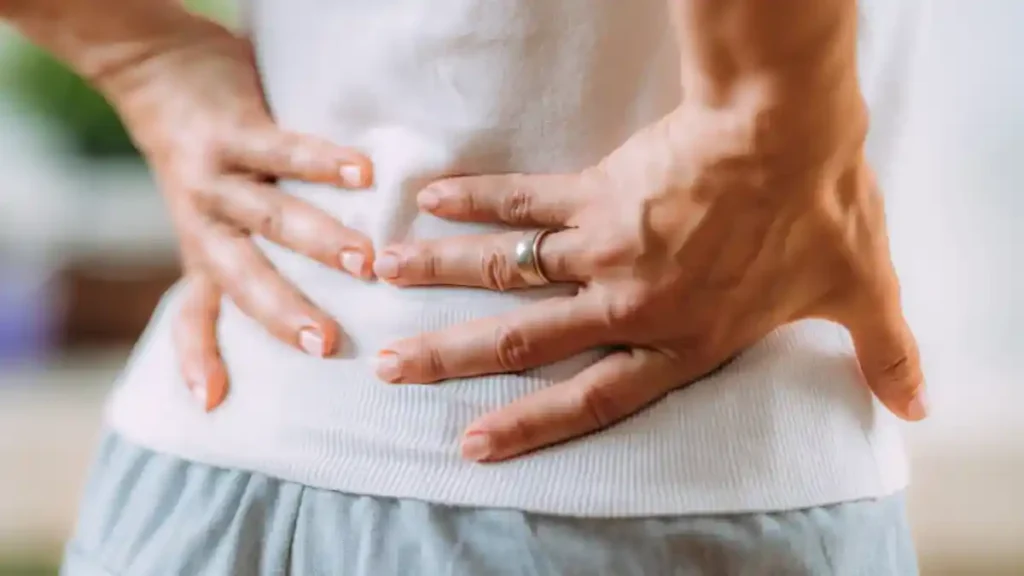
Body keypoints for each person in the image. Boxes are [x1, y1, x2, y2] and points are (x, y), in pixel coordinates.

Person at [4, 0, 926, 574]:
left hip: (210, 473)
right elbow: (764, 135)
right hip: (654, 508)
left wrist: (134, 51)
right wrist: (771, 130)